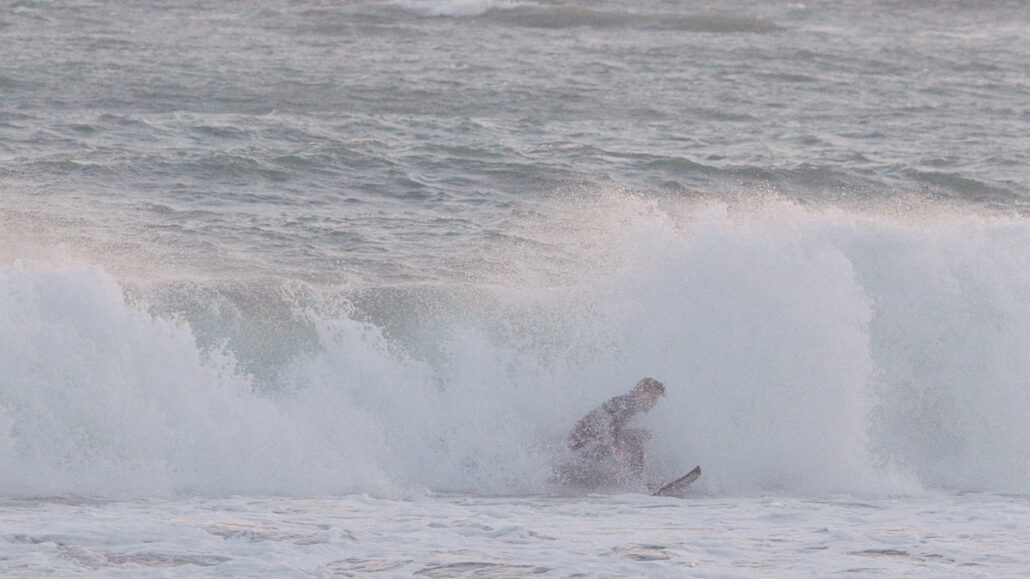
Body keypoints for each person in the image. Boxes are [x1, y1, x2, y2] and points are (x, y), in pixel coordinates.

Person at [556, 378, 666, 489]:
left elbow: (610, 428)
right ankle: (639, 484)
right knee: (635, 443)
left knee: (634, 438)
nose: (653, 403)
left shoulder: (625, 401)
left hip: (580, 444)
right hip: (581, 447)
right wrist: (616, 448)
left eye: (655, 399)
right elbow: (612, 427)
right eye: (651, 398)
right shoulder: (630, 403)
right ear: (639, 391)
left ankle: (634, 482)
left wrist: (635, 433)